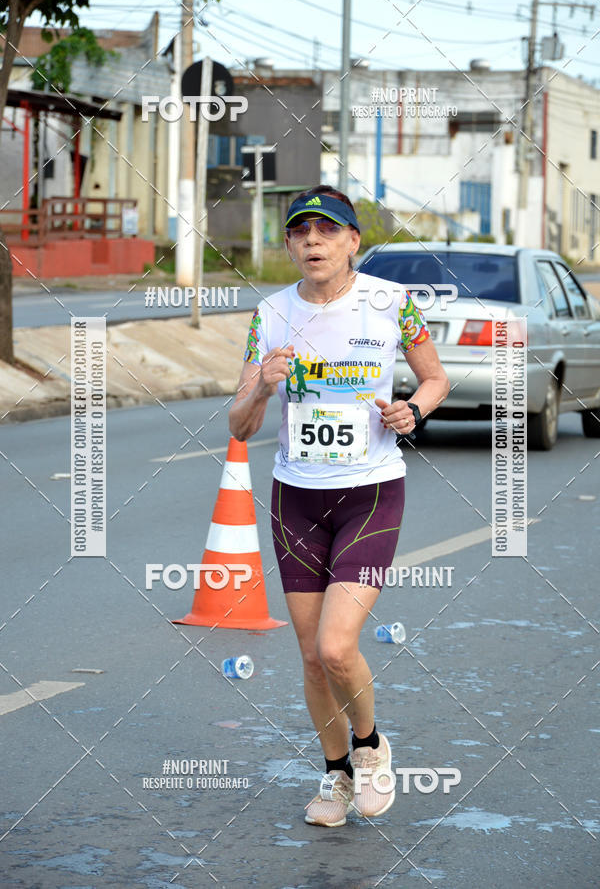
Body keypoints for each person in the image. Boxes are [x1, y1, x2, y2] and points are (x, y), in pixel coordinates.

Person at [229, 185, 450, 827]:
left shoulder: (391, 303)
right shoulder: (268, 314)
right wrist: (263, 389)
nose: (312, 242)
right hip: (295, 496)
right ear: (289, 244)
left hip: (371, 490)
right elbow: (240, 427)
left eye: (328, 231)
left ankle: (371, 747)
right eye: (300, 232)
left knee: (335, 644)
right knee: (308, 656)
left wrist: (414, 409)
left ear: (353, 241)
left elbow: (433, 378)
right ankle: (335, 778)